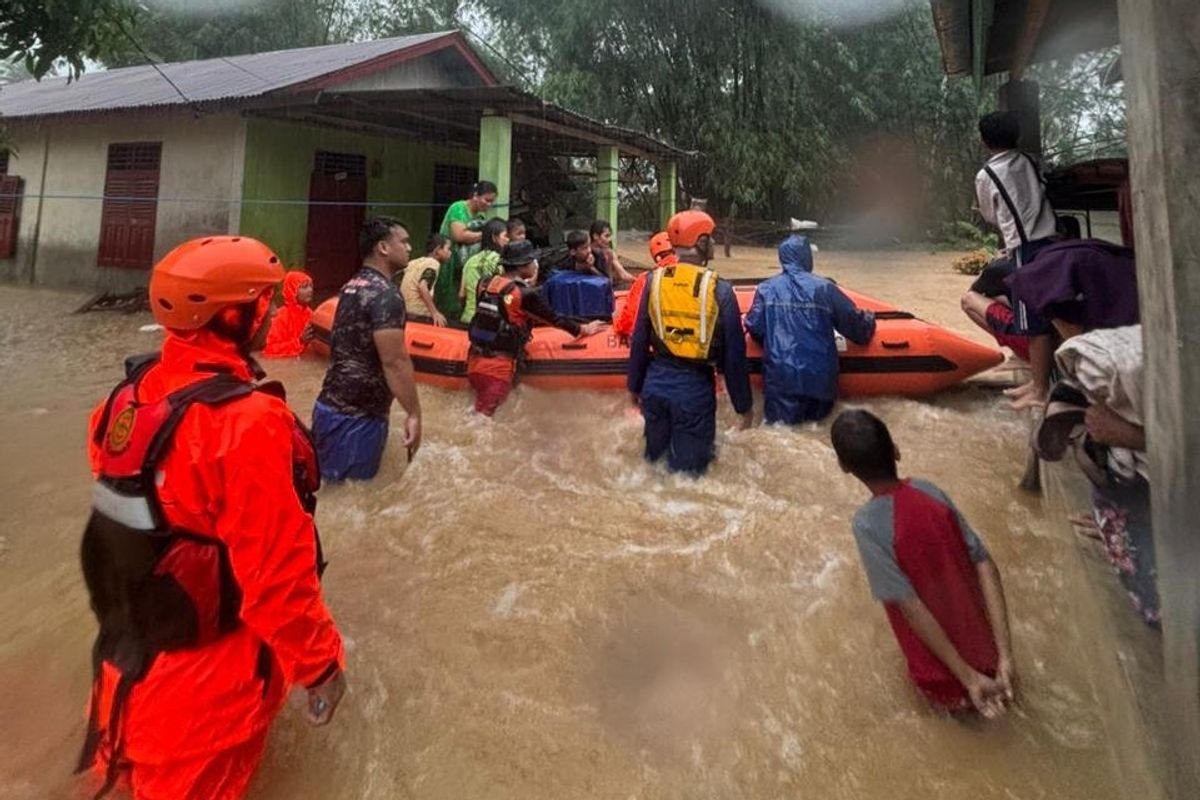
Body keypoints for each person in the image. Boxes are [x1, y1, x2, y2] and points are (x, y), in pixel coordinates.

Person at [79, 236, 345, 799]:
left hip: (121, 680)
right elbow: (275, 576)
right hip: (206, 708)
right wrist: (321, 667)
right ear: (233, 315)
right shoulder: (248, 423)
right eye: (263, 303)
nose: (271, 311)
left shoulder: (124, 399)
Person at [830, 409, 1016, 718]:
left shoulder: (867, 526)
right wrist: (1006, 657)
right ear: (896, 450)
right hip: (993, 662)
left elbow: (909, 605)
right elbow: (985, 565)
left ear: (843, 467)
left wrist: (969, 678)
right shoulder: (930, 491)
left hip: (946, 681)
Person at [627, 209, 752, 475]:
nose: (715, 243)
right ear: (701, 242)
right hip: (693, 391)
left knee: (653, 468)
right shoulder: (720, 289)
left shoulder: (653, 281)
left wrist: (634, 388)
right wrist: (744, 406)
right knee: (688, 477)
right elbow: (734, 357)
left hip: (655, 387)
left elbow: (639, 340)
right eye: (712, 238)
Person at [313, 216, 422, 481]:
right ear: (383, 247)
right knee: (352, 496)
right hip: (357, 421)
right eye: (404, 241)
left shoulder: (351, 286)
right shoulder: (386, 295)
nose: (409, 248)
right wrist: (414, 412)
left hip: (330, 407)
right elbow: (394, 361)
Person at [974, 111, 1059, 410]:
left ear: (984, 141)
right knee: (1050, 311)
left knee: (1034, 321)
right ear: (1017, 136)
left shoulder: (987, 175)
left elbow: (988, 214)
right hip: (1053, 242)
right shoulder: (1032, 161)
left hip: (1025, 248)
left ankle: (1039, 388)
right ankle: (1040, 378)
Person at [744, 234, 876, 424]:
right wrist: (870, 318)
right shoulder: (825, 288)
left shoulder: (767, 289)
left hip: (782, 377)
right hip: (820, 378)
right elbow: (857, 329)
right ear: (807, 258)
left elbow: (755, 327)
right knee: (818, 429)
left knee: (782, 433)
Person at [467, 240, 605, 416]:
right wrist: (583, 329)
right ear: (523, 266)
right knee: (485, 422)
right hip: (497, 371)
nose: (535, 264)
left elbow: (492, 315)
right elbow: (554, 319)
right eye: (533, 261)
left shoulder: (485, 284)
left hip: (473, 363)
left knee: (479, 414)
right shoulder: (523, 294)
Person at [435, 180, 498, 318]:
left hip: (465, 266)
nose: (489, 204)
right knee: (447, 300)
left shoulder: (481, 216)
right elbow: (459, 235)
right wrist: (487, 234)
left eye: (492, 201)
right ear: (476, 195)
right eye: (486, 200)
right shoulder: (458, 208)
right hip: (448, 262)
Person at [960, 260, 1031, 362]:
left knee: (969, 299)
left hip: (1037, 344)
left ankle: (1023, 357)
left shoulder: (999, 268)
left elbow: (973, 291)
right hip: (1057, 341)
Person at [614, 231, 677, 341]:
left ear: (657, 258)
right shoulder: (695, 274)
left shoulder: (646, 279)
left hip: (659, 342)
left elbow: (628, 321)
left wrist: (617, 323)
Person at [459, 218, 510, 323]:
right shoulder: (499, 261)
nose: (508, 240)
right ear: (494, 237)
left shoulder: (470, 260)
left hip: (467, 318)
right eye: (505, 236)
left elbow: (461, 295)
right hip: (488, 321)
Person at [399, 234, 450, 326]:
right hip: (419, 315)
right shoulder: (433, 263)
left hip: (405, 312)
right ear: (438, 250)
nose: (450, 253)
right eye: (448, 249)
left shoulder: (413, 262)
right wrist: (435, 312)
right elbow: (422, 286)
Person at [262, 270, 315, 358]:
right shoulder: (281, 316)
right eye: (304, 287)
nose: (310, 290)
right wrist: (299, 341)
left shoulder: (311, 314)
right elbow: (270, 350)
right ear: (292, 290)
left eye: (311, 286)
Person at [590, 219, 635, 284]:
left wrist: (640, 282)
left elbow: (623, 275)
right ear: (595, 236)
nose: (609, 240)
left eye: (609, 236)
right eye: (606, 236)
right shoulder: (586, 253)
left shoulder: (609, 253)